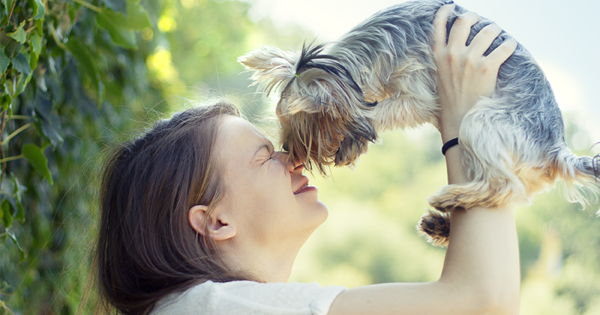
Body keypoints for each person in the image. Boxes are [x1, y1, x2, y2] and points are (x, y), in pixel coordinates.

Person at [95, 3, 520, 315]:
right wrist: (468, 123)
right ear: (216, 220)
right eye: (266, 156)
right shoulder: (210, 307)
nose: (295, 160)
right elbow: (484, 300)